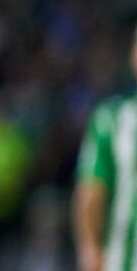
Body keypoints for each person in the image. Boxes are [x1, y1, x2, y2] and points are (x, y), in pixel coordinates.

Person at [74, 27, 137, 271]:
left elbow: (91, 193)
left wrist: (90, 250)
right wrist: (90, 249)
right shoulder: (109, 120)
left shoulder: (111, 119)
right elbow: (91, 193)